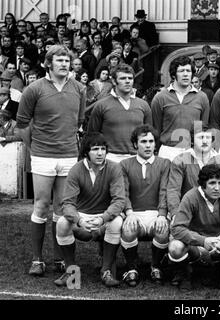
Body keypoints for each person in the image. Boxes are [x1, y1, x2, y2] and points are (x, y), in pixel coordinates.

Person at [16, 45, 86, 277]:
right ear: (48, 63)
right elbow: (23, 123)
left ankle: (59, 258)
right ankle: (37, 259)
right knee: (41, 205)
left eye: (67, 60)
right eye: (59, 60)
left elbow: (78, 122)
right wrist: (33, 148)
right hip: (42, 156)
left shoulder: (79, 88)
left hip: (68, 155)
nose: (64, 64)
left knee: (62, 208)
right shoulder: (34, 89)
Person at [54, 133, 125, 288]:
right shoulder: (76, 170)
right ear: (86, 152)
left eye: (103, 149)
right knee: (61, 223)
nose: (100, 153)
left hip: (105, 214)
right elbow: (67, 203)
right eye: (95, 149)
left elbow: (119, 200)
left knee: (117, 221)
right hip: (82, 215)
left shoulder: (114, 168)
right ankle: (71, 271)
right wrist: (79, 220)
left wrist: (103, 218)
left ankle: (106, 271)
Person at [169, 164, 220, 291]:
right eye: (212, 183)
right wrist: (203, 241)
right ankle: (187, 273)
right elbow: (177, 228)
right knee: (175, 247)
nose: (217, 188)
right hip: (196, 241)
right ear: (203, 184)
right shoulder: (190, 196)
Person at [120, 125, 170, 287]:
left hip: (156, 212)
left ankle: (156, 267)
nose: (148, 145)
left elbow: (164, 191)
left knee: (163, 229)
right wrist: (129, 213)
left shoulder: (164, 164)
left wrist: (162, 214)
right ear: (135, 144)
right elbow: (123, 193)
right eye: (143, 142)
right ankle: (131, 268)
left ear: (156, 144)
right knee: (128, 228)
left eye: (151, 141)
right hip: (134, 212)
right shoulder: (125, 164)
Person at [87, 63, 152, 163]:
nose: (127, 81)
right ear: (113, 81)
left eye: (130, 78)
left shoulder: (143, 105)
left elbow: (148, 135)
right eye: (123, 78)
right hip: (110, 158)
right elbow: (92, 135)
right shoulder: (101, 105)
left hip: (137, 157)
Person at [151, 56, 210, 161]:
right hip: (168, 151)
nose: (186, 74)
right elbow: (156, 127)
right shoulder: (161, 97)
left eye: (188, 71)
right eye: (181, 71)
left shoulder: (202, 97)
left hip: (192, 151)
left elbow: (203, 127)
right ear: (174, 75)